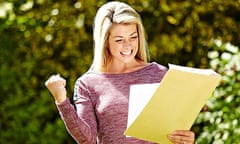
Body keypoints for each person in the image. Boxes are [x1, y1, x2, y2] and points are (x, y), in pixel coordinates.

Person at [45, 1, 195, 144]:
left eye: (133, 37)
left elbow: (174, 131)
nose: (128, 45)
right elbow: (87, 140)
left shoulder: (159, 74)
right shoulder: (87, 84)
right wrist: (62, 100)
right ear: (105, 41)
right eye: (119, 40)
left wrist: (186, 139)